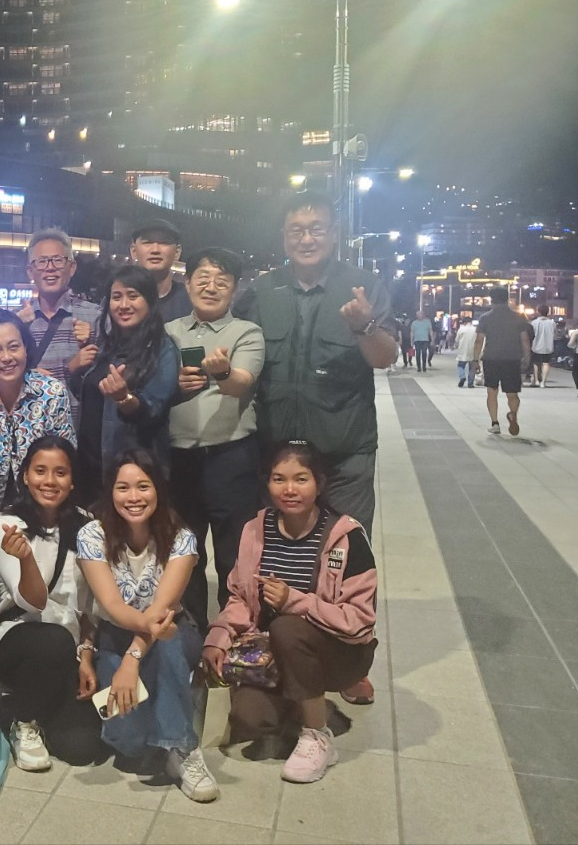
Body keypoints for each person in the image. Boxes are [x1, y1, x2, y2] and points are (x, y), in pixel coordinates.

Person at [234, 191, 391, 706]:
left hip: (344, 449)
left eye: (316, 228)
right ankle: (279, 649)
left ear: (334, 233)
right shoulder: (262, 290)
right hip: (279, 455)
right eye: (296, 230)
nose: (307, 238)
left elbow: (384, 356)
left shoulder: (360, 285)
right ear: (284, 237)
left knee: (345, 555)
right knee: (279, 554)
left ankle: (348, 661)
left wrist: (364, 324)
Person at [202, 441, 377, 784]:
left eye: (301, 479)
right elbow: (240, 595)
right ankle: (306, 703)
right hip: (273, 651)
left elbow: (360, 623)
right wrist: (219, 636)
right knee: (250, 718)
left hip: (340, 653)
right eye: (279, 479)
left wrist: (295, 601)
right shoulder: (256, 529)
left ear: (319, 483)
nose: (290, 489)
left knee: (287, 626)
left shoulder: (345, 537)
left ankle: (317, 736)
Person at [75, 448, 219, 802]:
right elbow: (111, 605)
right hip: (117, 632)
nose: (134, 497)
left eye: (143, 486)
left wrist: (133, 658)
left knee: (168, 641)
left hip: (174, 629)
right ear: (110, 492)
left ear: (158, 489)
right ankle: (176, 702)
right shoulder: (92, 535)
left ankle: (184, 750)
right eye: (123, 488)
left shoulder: (181, 537)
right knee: (130, 745)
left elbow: (162, 609)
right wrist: (137, 643)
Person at [0, 436, 103, 771]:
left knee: (81, 748)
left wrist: (86, 655)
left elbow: (91, 603)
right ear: (25, 475)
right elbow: (31, 602)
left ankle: (22, 706)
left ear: (72, 479)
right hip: (13, 640)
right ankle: (23, 720)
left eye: (60, 472)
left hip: (68, 648)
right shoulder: (7, 525)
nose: (50, 481)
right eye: (40, 471)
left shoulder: (87, 525)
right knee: (53, 640)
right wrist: (25, 559)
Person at [165, 247, 265, 632]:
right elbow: (154, 386)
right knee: (184, 552)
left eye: (221, 281)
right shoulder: (168, 333)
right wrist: (172, 383)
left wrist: (222, 373)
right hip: (179, 460)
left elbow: (242, 383)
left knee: (233, 553)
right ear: (187, 283)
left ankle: (233, 631)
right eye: (202, 278)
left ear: (234, 288)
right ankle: (190, 633)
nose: (211, 287)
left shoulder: (246, 332)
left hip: (231, 458)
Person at [71, 265, 179, 506]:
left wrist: (124, 398)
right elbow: (91, 394)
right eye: (116, 297)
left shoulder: (163, 349)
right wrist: (76, 369)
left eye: (133, 295)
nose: (123, 304)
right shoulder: (107, 345)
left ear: (149, 301)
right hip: (90, 467)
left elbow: (153, 410)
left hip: (132, 472)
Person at [0, 309, 76, 518]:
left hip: (43, 510)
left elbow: (65, 459)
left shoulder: (51, 392)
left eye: (13, 347)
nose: (7, 358)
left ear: (25, 348)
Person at [16, 228, 101, 418]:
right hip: (31, 427)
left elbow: (111, 375)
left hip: (81, 429)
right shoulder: (17, 324)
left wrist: (90, 347)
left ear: (72, 267)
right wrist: (25, 375)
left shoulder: (95, 317)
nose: (50, 268)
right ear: (30, 271)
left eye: (57, 260)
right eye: (42, 261)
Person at [474, 286, 532, 436]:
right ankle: (513, 414)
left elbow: (479, 340)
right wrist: (527, 358)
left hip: (491, 358)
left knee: (492, 391)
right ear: (507, 299)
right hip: (512, 359)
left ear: (492, 300)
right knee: (512, 393)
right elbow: (524, 339)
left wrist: (475, 360)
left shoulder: (485, 318)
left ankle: (495, 424)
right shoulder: (519, 317)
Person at [129, 220, 193, 322]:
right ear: (133, 251)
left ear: (177, 252)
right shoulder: (118, 298)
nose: (155, 250)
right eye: (147, 242)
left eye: (164, 243)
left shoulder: (191, 300)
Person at [529, 304, 556, 388]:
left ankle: (536, 381)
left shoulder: (534, 323)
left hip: (535, 346)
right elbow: (555, 334)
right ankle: (543, 382)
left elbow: (530, 334)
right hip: (548, 346)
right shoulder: (552, 323)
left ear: (538, 312)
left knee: (535, 363)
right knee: (546, 363)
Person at [454, 317, 479, 388]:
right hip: (473, 350)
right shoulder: (475, 329)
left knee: (460, 366)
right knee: (472, 368)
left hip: (463, 350)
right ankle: (470, 383)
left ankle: (462, 376)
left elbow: (457, 340)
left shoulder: (461, 329)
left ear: (464, 322)